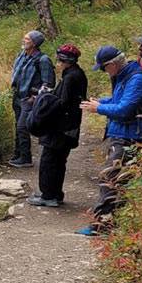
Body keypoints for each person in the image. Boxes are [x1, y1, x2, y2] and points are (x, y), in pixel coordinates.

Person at [76, 46, 142, 236]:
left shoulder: (137, 79)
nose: (104, 72)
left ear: (113, 64)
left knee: (109, 179)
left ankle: (101, 226)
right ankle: (113, 224)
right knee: (118, 180)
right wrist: (101, 102)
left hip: (129, 137)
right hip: (122, 134)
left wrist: (99, 108)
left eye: (103, 68)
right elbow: (118, 99)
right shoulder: (125, 76)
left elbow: (124, 109)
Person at [28, 44, 87, 207]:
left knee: (49, 160)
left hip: (61, 127)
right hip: (69, 125)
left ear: (66, 61)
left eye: (59, 60)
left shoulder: (71, 77)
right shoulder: (77, 74)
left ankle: (48, 195)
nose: (57, 63)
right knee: (59, 160)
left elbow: (64, 103)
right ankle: (55, 194)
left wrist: (45, 102)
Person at [8, 30, 55, 168]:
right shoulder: (21, 55)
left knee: (23, 127)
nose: (23, 40)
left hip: (29, 98)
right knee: (18, 126)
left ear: (34, 43)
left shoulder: (43, 59)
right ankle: (18, 154)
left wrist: (35, 98)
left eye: (27, 39)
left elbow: (49, 84)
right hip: (17, 96)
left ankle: (26, 158)